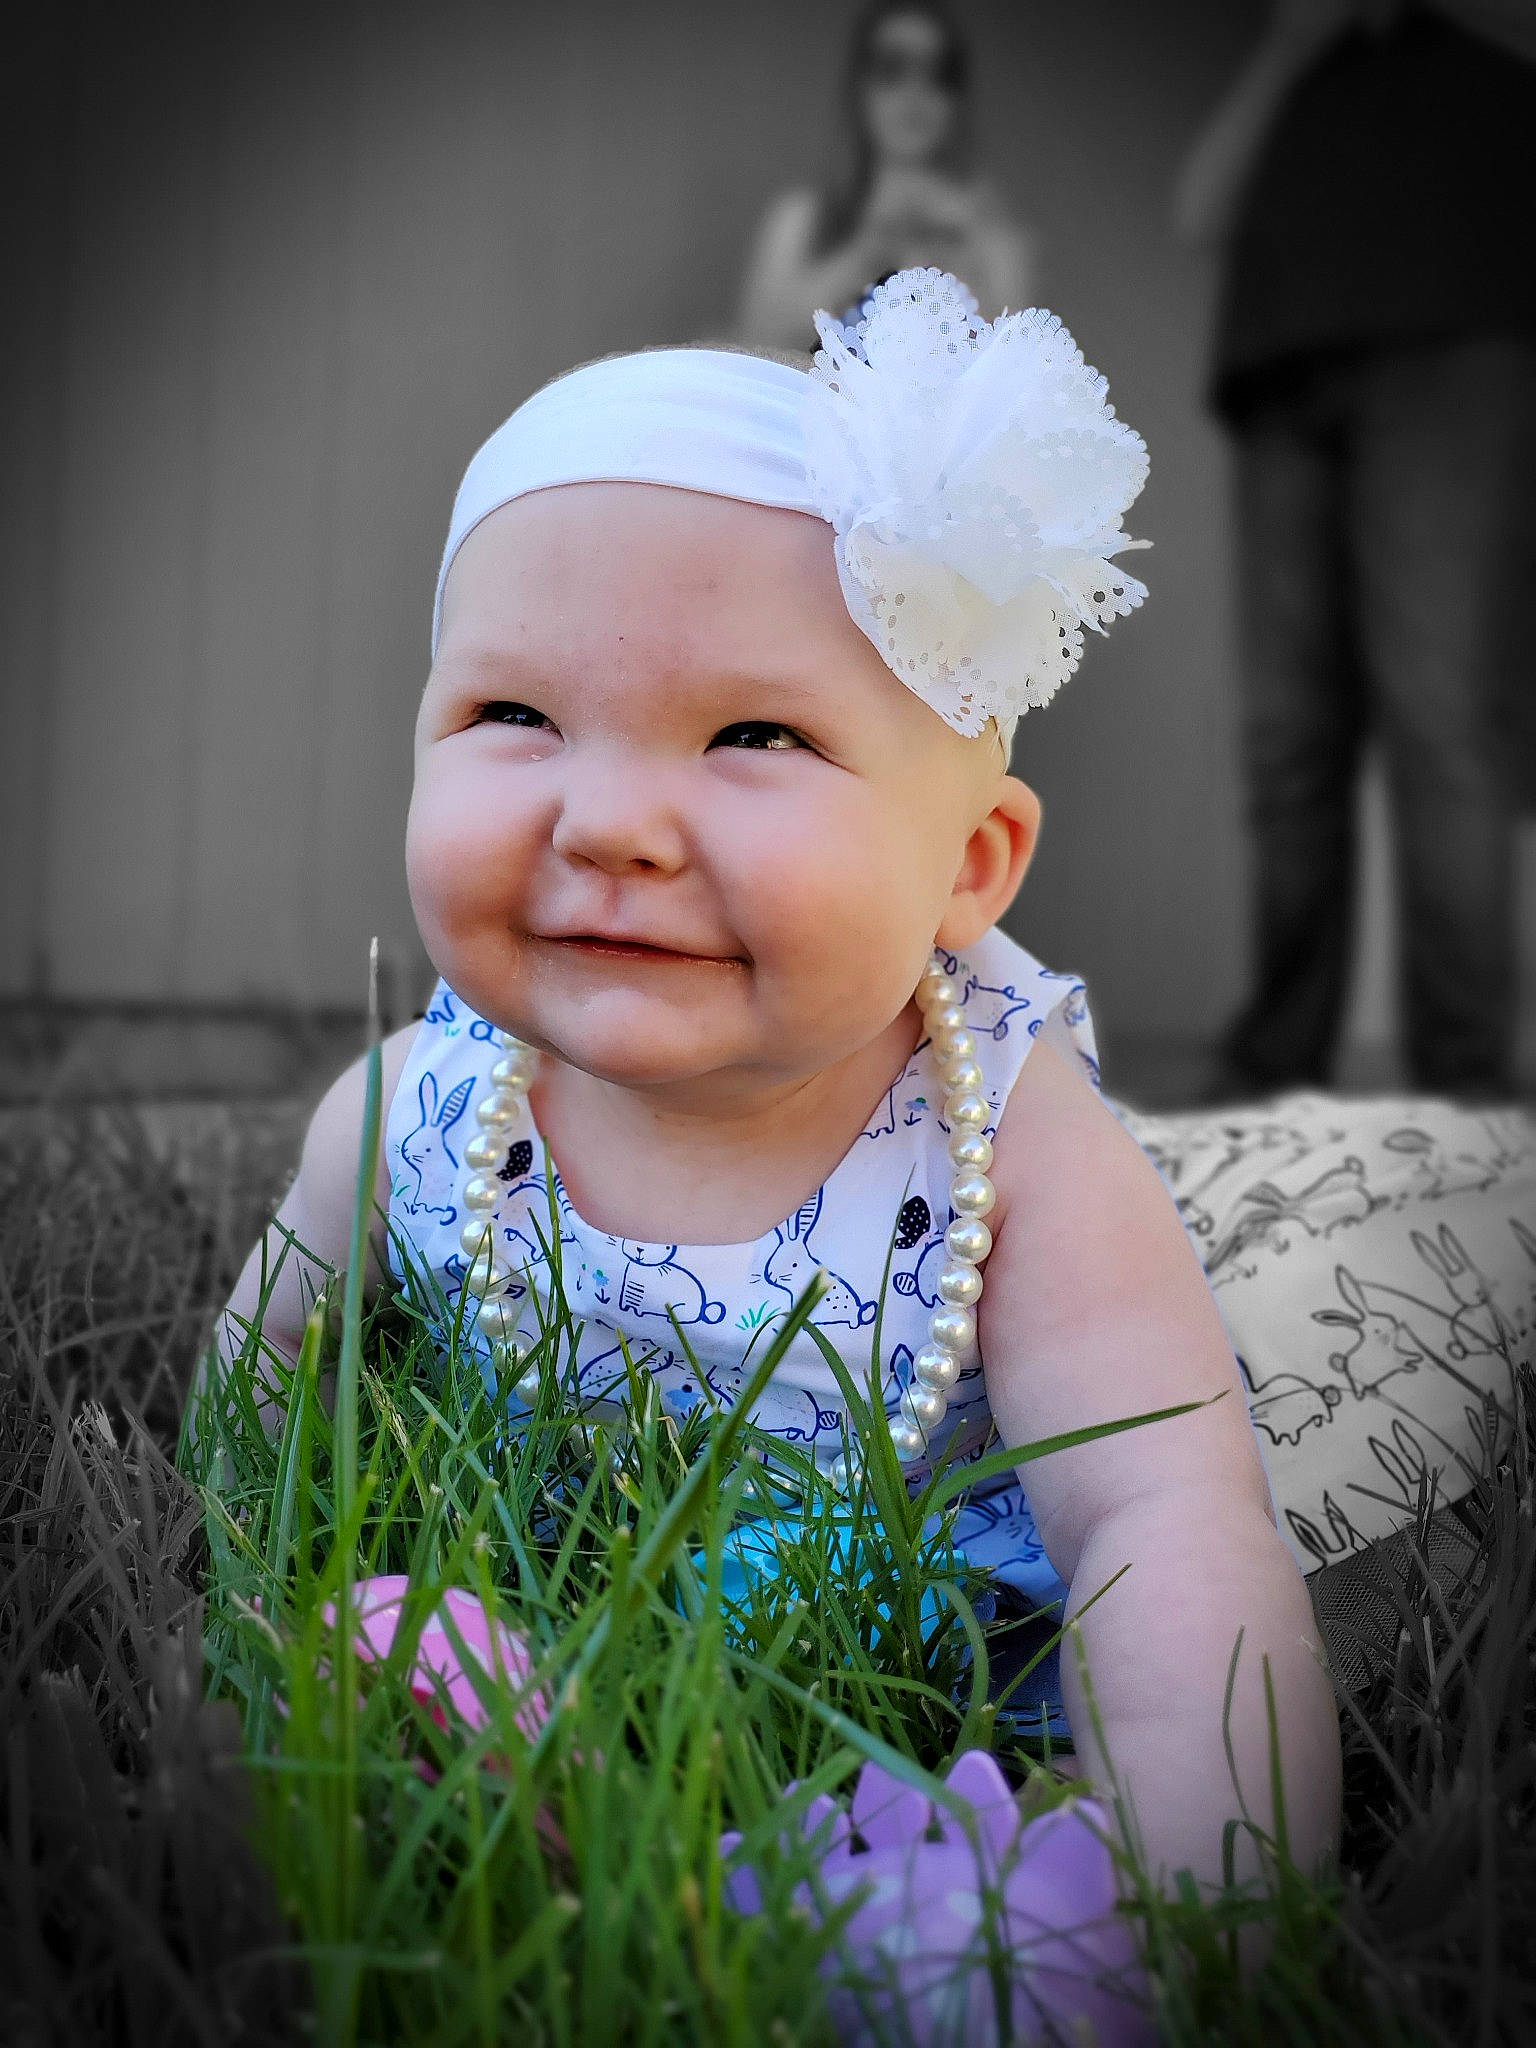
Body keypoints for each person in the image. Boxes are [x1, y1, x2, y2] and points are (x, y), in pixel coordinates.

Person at [212, 270, 1340, 1909]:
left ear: (967, 864)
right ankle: (546, 1779)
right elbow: (259, 1384)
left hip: (918, 1666)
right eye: (514, 713)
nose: (609, 821)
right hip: (546, 1603)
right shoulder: (419, 1105)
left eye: (752, 735)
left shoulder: (1009, 1144)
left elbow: (1161, 1512)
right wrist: (234, 1575)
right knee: (368, 1654)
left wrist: (1195, 1885)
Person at [1176, 0, 1536, 1099]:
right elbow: (1197, 212)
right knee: (1287, 743)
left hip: (1457, 344)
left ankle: (1467, 1092)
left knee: (1445, 726)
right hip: (1281, 359)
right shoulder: (1298, 52)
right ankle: (1274, 1068)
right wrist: (1294, 41)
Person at [737, 1, 1031, 351]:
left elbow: (1014, 360)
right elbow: (755, 344)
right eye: (892, 67)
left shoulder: (990, 230)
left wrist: (968, 254)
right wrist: (867, 249)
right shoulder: (803, 216)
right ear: (858, 87)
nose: (916, 89)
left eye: (941, 72)